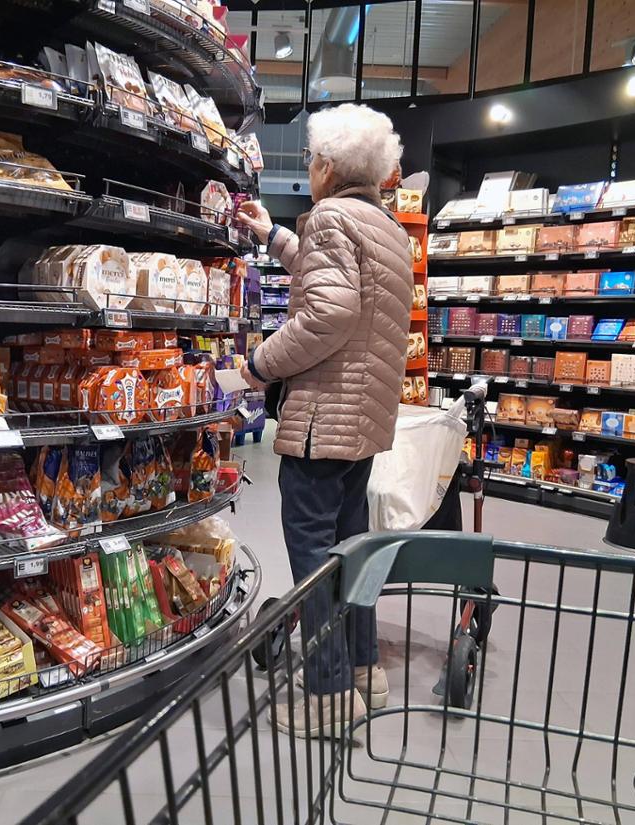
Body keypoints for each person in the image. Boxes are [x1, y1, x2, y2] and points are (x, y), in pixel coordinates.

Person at [235, 103, 414, 738]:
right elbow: (341, 291)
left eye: (311, 160)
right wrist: (274, 236)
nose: (310, 170)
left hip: (322, 422)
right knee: (352, 549)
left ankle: (330, 694)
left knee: (314, 559)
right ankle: (365, 670)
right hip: (361, 426)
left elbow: (326, 316)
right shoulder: (386, 228)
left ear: (328, 167)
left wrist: (258, 366)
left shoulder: (334, 218)